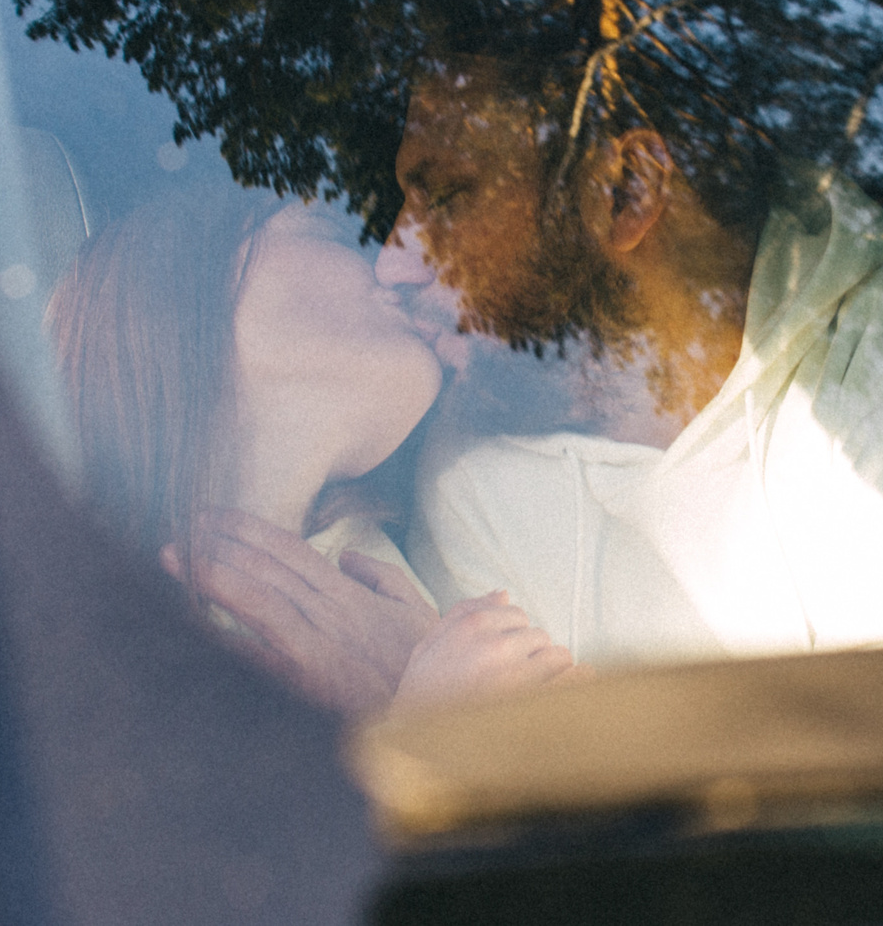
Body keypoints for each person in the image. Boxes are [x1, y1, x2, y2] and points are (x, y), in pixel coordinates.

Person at [235, 55, 883, 671]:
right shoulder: (463, 459)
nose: (393, 258)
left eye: (445, 196)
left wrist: (508, 744)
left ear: (627, 189)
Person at [49, 182, 582, 717]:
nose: (390, 272)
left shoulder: (460, 552)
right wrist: (429, 733)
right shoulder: (84, 673)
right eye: (333, 234)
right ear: (179, 295)